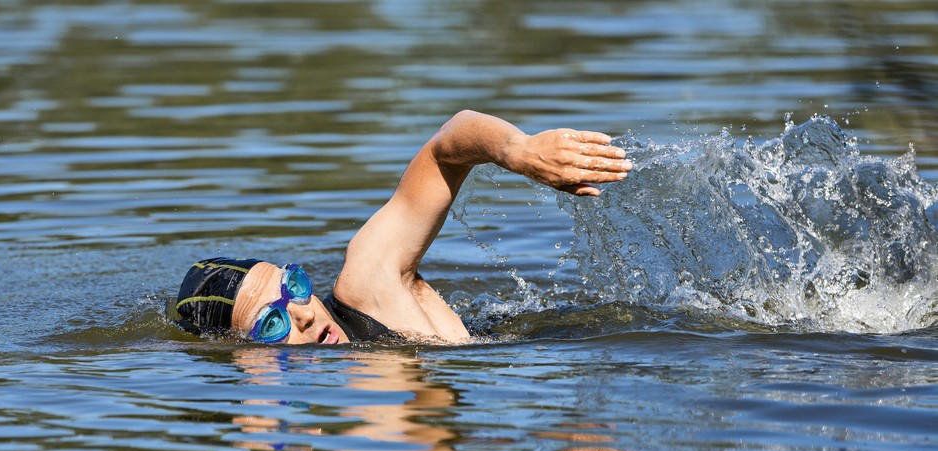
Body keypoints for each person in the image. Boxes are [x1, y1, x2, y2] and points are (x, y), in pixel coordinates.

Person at [173, 110, 633, 344]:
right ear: (240, 352)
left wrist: (517, 150)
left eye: (294, 287)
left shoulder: (370, 283)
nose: (305, 313)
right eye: (272, 323)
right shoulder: (359, 428)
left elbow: (447, 144)